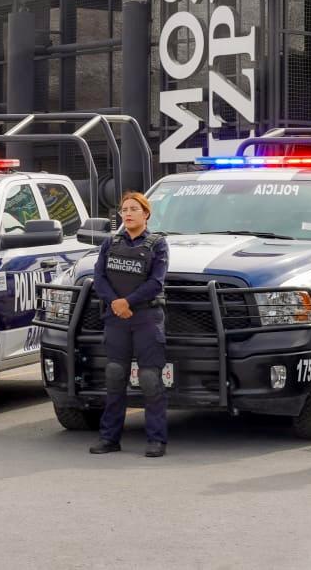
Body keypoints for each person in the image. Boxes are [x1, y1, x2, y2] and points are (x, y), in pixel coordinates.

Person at [89, 191, 170, 458]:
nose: (128, 213)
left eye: (134, 208)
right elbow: (98, 277)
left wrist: (128, 302)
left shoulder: (158, 244)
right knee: (114, 376)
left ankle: (156, 440)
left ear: (146, 214)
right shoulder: (110, 243)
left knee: (149, 379)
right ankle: (110, 438)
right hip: (116, 318)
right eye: (124, 209)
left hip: (146, 318)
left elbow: (156, 282)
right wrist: (115, 303)